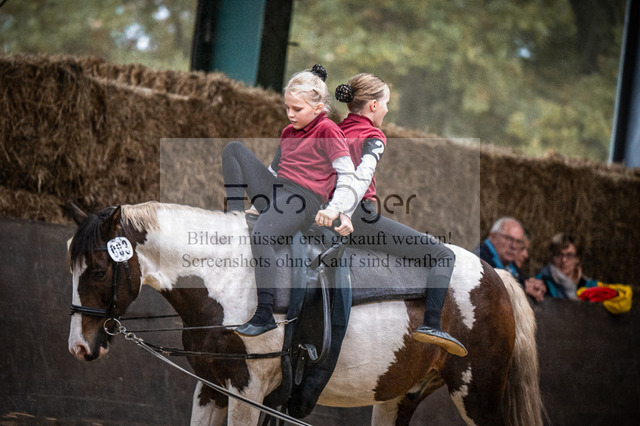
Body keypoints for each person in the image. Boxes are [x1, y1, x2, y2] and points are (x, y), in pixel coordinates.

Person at [328, 73, 467, 357]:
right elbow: (360, 180)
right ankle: (431, 324)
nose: (387, 110)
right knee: (443, 255)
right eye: (386, 103)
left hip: (325, 215)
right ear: (373, 105)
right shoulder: (373, 135)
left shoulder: (333, 130)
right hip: (357, 218)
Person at [228, 65, 357, 337]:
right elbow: (274, 170)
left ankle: (264, 314)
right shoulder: (288, 132)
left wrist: (335, 208)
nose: (290, 114)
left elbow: (348, 174)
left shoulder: (328, 130)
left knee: (262, 236)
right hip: (278, 191)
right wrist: (255, 202)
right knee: (234, 150)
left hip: (302, 199)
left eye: (297, 109)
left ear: (319, 107)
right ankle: (233, 215)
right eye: (287, 107)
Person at [474, 217, 545, 301]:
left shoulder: (508, 263)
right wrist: (523, 288)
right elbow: (492, 287)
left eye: (518, 242)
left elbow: (518, 280)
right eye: (508, 238)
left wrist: (533, 286)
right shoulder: (479, 258)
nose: (514, 246)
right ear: (493, 236)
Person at [536, 233, 597, 299]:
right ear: (553, 256)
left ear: (577, 258)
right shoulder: (541, 281)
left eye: (569, 255)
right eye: (559, 254)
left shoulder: (591, 287)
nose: (564, 260)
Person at [513, 230, 546, 302]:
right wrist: (523, 287)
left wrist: (536, 286)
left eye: (527, 250)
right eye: (522, 248)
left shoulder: (516, 271)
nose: (526, 255)